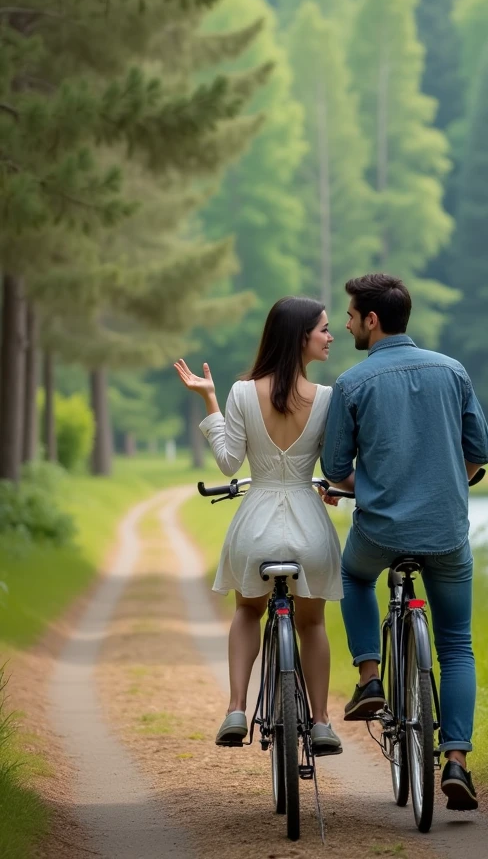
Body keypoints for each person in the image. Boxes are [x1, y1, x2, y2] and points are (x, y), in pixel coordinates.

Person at [320, 273, 488, 810]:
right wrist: (450, 482)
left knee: (350, 574)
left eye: (350, 315)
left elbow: (333, 469)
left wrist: (366, 488)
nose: (346, 323)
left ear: (372, 320)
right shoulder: (452, 371)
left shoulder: (352, 384)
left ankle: (370, 677)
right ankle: (457, 760)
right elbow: (481, 451)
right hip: (446, 534)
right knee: (457, 646)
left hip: (380, 531)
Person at [174, 297, 343, 756]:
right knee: (312, 623)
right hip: (309, 527)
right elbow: (335, 467)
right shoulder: (326, 398)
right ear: (300, 336)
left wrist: (209, 398)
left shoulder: (242, 393)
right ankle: (323, 721)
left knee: (248, 611)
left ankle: (235, 708)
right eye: (324, 329)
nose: (331, 337)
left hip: (256, 527)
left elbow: (229, 463)